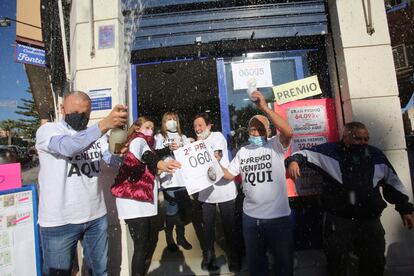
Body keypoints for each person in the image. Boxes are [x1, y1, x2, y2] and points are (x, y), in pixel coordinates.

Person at [285, 121, 414, 276]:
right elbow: (302, 154)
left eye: (366, 139)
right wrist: (293, 162)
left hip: (369, 222)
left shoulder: (376, 155)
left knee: (374, 263)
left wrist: (405, 209)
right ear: (345, 137)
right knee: (337, 264)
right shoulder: (329, 152)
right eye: (358, 139)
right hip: (339, 222)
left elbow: (393, 184)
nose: (363, 143)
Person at [35, 91, 128, 276]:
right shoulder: (49, 130)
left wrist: (118, 152)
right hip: (59, 221)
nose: (80, 117)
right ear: (62, 109)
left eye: (85, 114)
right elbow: (67, 147)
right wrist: (103, 125)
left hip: (95, 216)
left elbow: (111, 161)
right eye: (75, 112)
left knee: (99, 271)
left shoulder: (97, 136)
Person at [220, 90, 294, 276]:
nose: (256, 132)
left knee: (283, 266)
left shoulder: (275, 145)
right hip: (251, 220)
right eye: (253, 128)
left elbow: (288, 131)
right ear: (248, 131)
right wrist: (211, 162)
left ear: (268, 131)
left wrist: (263, 106)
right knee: (256, 266)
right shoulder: (243, 151)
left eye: (261, 129)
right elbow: (228, 174)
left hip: (278, 218)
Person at [111, 116, 181, 276]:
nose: (150, 130)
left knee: (145, 241)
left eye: (152, 128)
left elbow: (152, 155)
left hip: (140, 199)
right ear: (137, 128)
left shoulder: (144, 143)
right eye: (147, 127)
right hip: (133, 201)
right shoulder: (138, 141)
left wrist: (169, 150)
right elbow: (148, 157)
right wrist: (161, 164)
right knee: (141, 244)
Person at [193, 113, 241, 272]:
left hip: (224, 190)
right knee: (208, 227)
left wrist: (200, 146)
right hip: (207, 193)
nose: (198, 129)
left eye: (200, 125)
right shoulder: (194, 144)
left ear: (209, 125)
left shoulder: (217, 136)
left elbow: (217, 156)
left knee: (229, 227)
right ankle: (208, 257)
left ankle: (234, 258)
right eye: (195, 126)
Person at [155, 112, 193, 251]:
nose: (172, 122)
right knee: (171, 212)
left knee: (182, 213)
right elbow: (155, 154)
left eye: (174, 119)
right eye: (168, 120)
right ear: (164, 123)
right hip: (169, 181)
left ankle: (181, 238)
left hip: (183, 181)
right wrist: (168, 148)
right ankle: (169, 238)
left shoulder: (183, 137)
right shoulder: (159, 137)